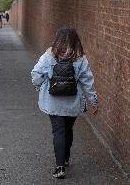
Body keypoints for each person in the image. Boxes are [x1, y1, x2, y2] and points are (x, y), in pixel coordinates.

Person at [31, 26, 98, 179]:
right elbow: (88, 82)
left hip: (53, 102)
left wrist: (40, 86)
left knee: (58, 131)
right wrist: (94, 101)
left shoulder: (49, 55)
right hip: (73, 102)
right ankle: (66, 157)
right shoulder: (80, 58)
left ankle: (60, 166)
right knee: (68, 129)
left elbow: (36, 74)